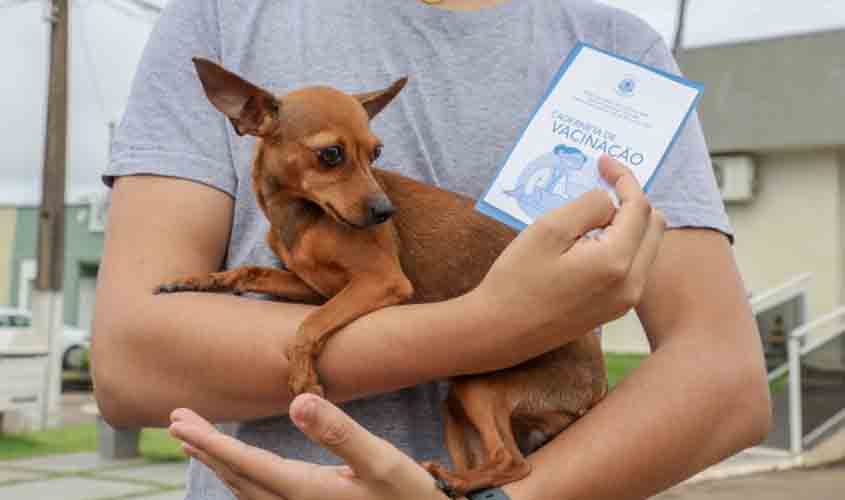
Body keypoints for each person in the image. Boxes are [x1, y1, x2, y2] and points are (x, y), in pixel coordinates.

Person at [92, 1, 771, 499]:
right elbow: (130, 366)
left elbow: (723, 378)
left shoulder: (616, 48)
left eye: (363, 159)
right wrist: (493, 325)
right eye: (331, 159)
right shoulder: (224, 14)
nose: (362, 183)